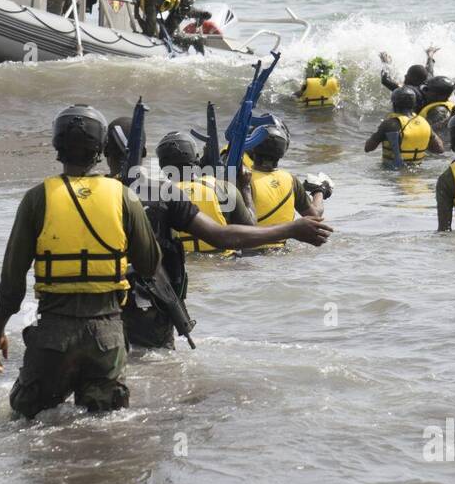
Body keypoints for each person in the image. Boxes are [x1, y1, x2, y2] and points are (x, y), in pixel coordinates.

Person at [0, 105, 161, 418]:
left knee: (26, 419)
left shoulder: (36, 198)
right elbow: (149, 265)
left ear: (57, 147)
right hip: (107, 337)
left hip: (53, 338)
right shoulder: (123, 196)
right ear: (100, 150)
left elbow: (12, 278)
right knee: (105, 428)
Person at [107, 116, 333, 348]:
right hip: (224, 270)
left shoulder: (151, 194)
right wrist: (246, 189)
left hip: (126, 296)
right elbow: (242, 232)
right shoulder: (218, 188)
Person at [155, 131, 256, 253]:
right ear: (196, 159)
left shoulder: (159, 195)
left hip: (185, 264)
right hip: (225, 264)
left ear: (162, 167)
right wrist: (245, 187)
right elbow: (251, 231)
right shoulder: (223, 188)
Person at [247, 118, 331, 252]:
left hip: (249, 251)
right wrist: (319, 191)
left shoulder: (243, 179)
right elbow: (315, 215)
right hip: (281, 250)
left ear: (252, 148)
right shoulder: (291, 180)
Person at [364, 84, 444, 166]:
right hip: (417, 173)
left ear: (394, 104)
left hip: (392, 174)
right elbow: (439, 149)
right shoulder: (424, 123)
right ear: (414, 104)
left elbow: (368, 148)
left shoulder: (390, 124)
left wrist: (379, 132)